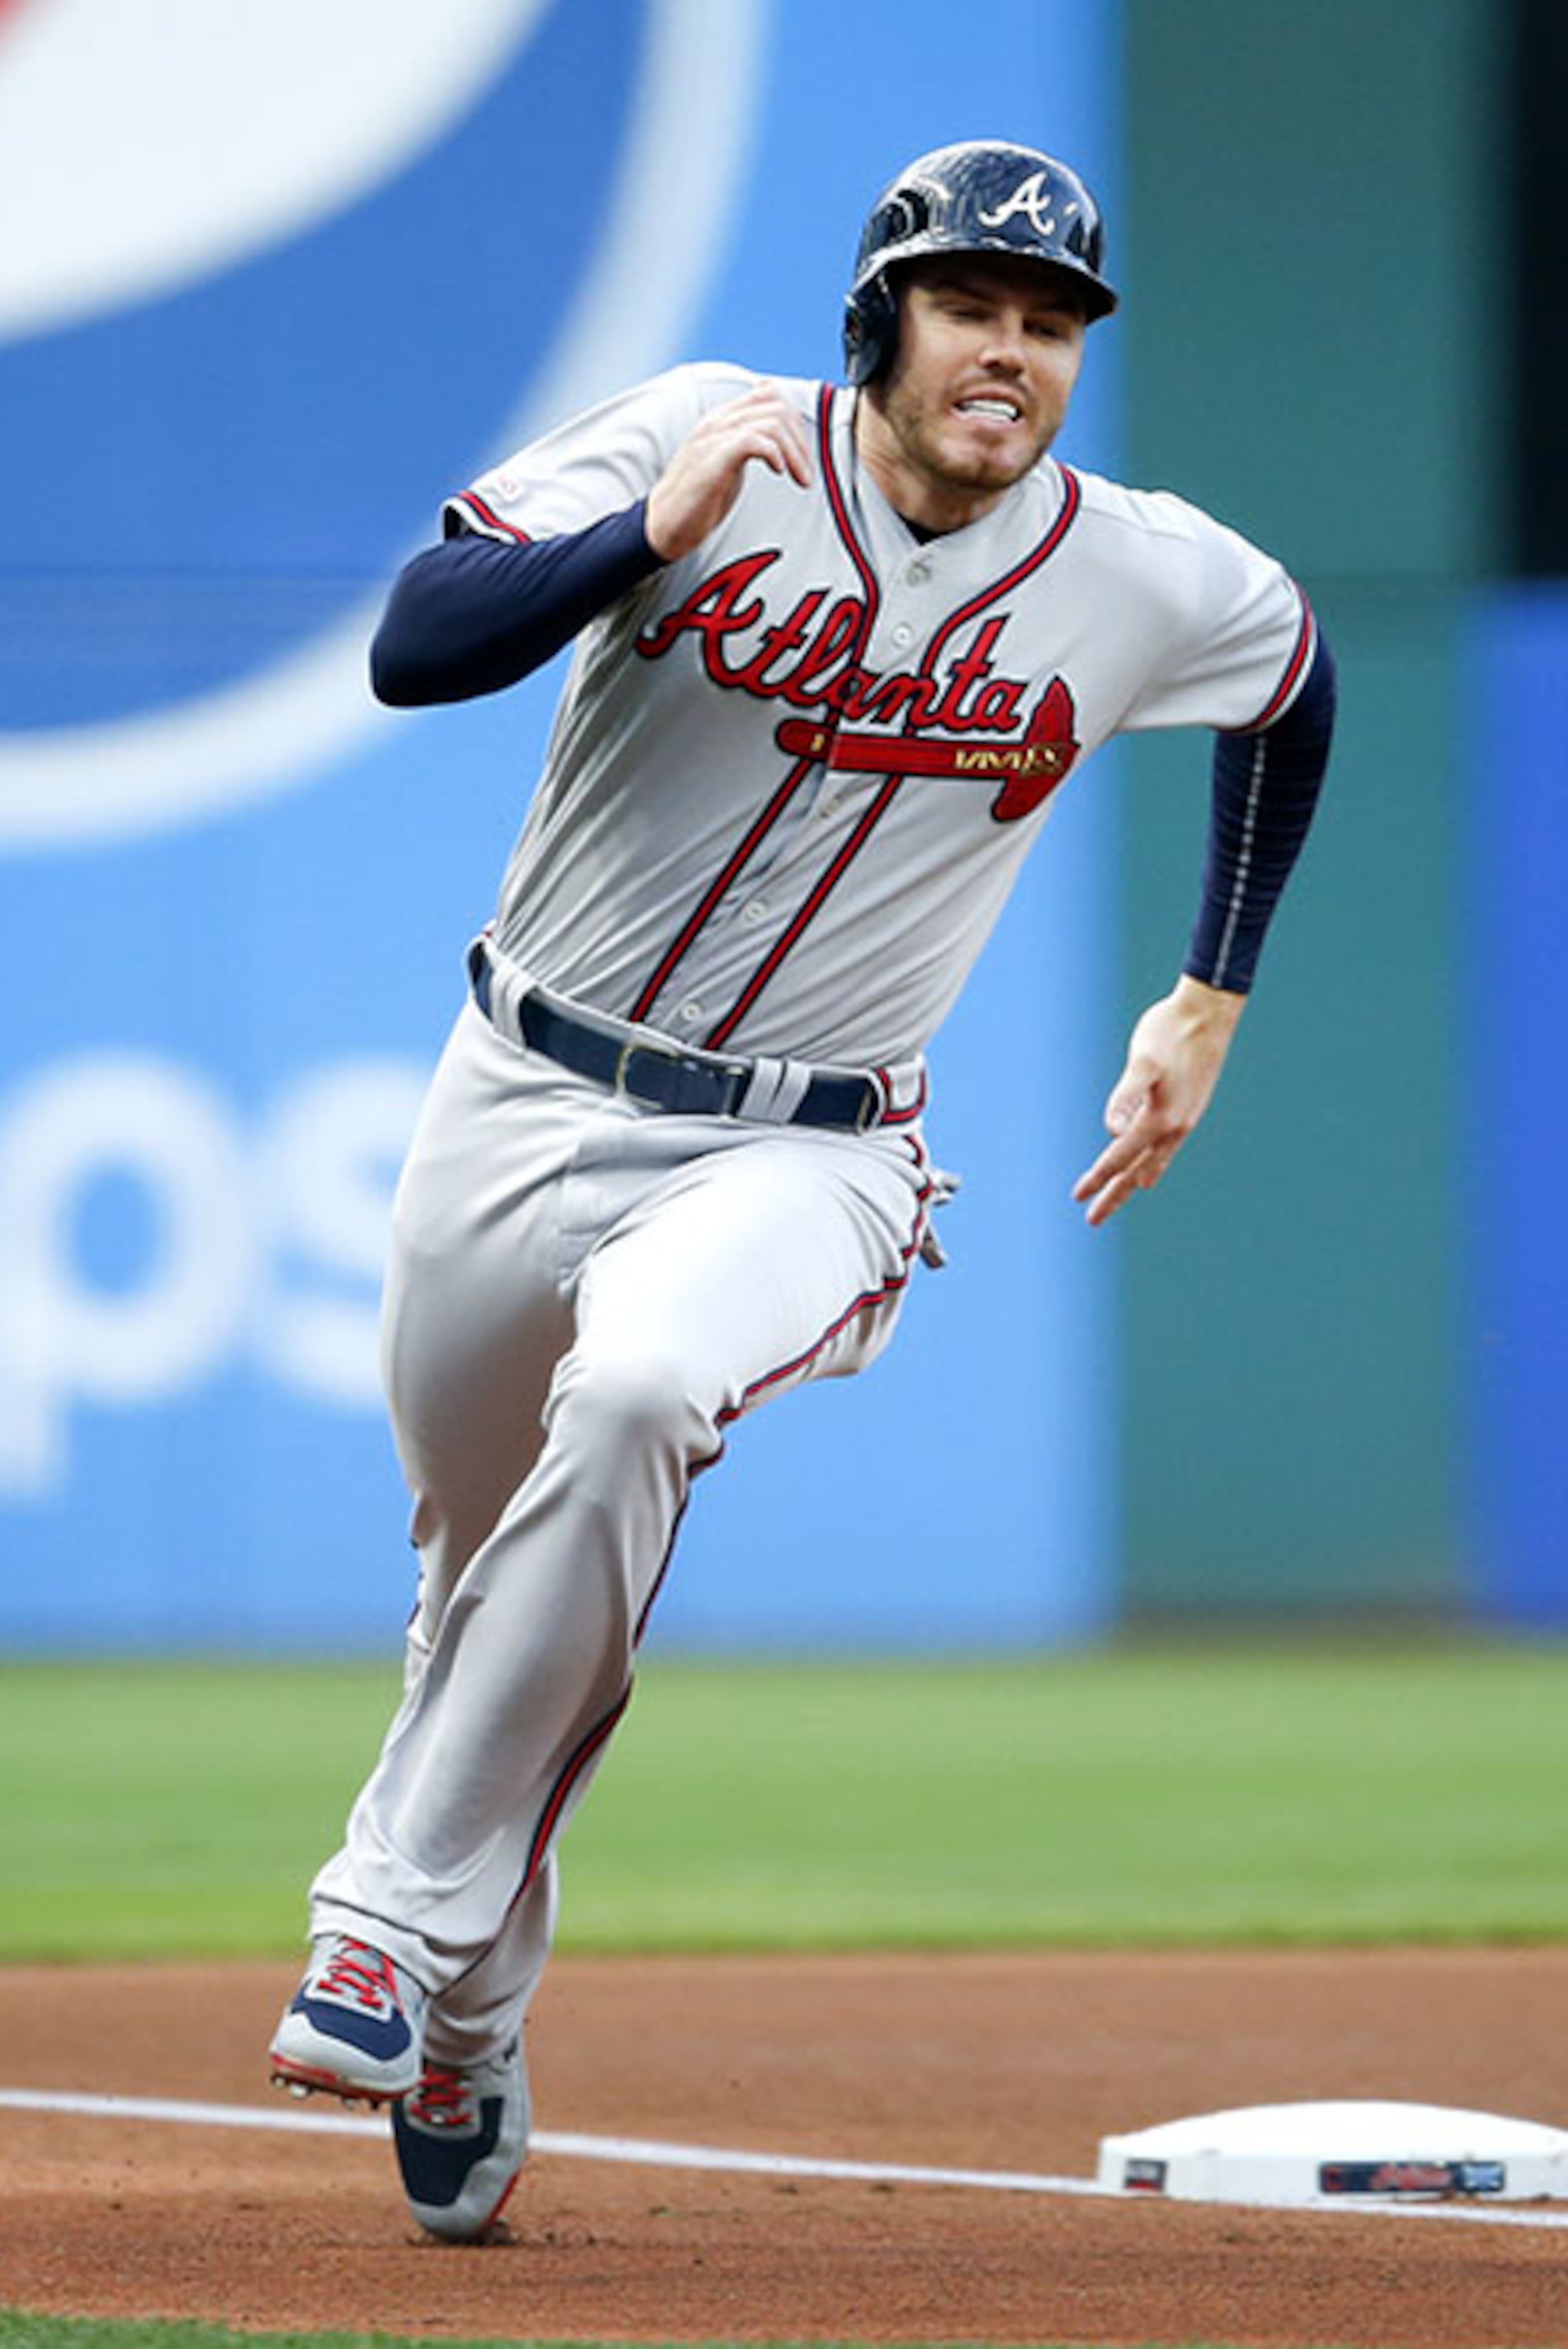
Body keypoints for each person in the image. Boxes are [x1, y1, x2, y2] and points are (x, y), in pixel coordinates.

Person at [267, 138, 1335, 2240]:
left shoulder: (1138, 572)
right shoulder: (699, 439)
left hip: (812, 1143)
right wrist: (637, 540)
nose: (1012, 354)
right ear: (884, 321)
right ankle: (475, 2020)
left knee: (650, 1390)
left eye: (1050, 326)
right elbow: (416, 643)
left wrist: (1211, 994)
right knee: (475, 1581)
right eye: (973, 309)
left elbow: (1294, 690)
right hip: (517, 1088)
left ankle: (382, 1924)